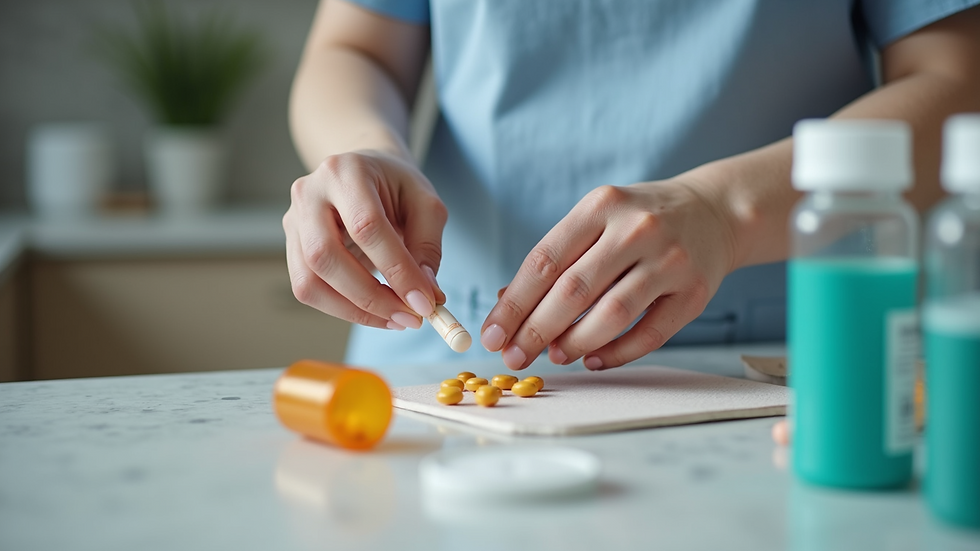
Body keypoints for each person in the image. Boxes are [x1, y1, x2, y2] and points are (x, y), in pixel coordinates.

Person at [283, 0, 980, 371]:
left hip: (770, 358)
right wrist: (364, 152)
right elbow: (356, 47)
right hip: (437, 359)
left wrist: (724, 210)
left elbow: (956, 83)